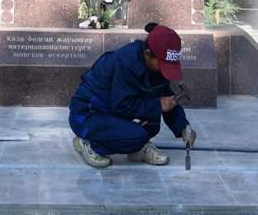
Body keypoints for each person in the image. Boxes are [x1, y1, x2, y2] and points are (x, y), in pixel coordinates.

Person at [68, 23, 197, 168]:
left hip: (111, 112)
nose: (165, 70)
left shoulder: (155, 67)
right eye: (163, 64)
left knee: (153, 124)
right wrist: (157, 104)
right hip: (86, 116)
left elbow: (166, 95)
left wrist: (182, 127)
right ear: (148, 54)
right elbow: (120, 105)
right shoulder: (126, 63)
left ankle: (136, 148)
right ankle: (90, 144)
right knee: (138, 135)